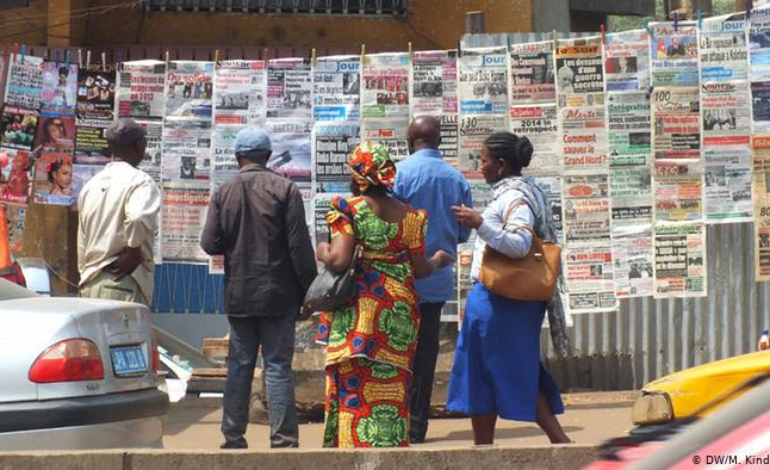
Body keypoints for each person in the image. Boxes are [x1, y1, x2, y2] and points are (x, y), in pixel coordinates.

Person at [313, 143, 453, 448]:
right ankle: (389, 453)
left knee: (354, 383)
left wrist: (322, 250)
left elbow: (338, 259)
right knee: (392, 385)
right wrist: (440, 260)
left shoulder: (347, 209)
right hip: (398, 316)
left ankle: (352, 452)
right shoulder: (412, 217)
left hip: (359, 313)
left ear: (356, 175)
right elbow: (420, 268)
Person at [448, 132, 570, 445]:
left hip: (502, 303)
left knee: (508, 370)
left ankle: (560, 442)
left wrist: (479, 224)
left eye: (485, 160)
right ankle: (484, 449)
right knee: (491, 372)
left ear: (501, 165)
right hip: (495, 300)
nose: (481, 166)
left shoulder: (517, 198)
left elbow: (519, 245)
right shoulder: (514, 193)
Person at [201, 127, 317, 450]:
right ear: (267, 157)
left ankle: (233, 436)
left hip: (240, 295)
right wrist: (310, 291)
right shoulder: (286, 189)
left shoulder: (223, 192)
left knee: (239, 366)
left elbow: (210, 244)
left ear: (238, 157)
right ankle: (283, 440)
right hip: (280, 296)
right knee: (278, 366)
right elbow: (299, 249)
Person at [393, 115, 473, 444]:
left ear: (410, 140)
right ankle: (417, 427)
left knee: (395, 352)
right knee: (425, 355)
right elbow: (464, 232)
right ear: (438, 141)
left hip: (399, 280)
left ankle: (392, 422)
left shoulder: (399, 173)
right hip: (436, 280)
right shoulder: (456, 179)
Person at [78, 118, 161, 306]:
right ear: (139, 145)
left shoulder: (91, 184)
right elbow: (138, 217)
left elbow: (82, 239)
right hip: (122, 283)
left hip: (91, 283)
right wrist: (133, 252)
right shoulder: (140, 181)